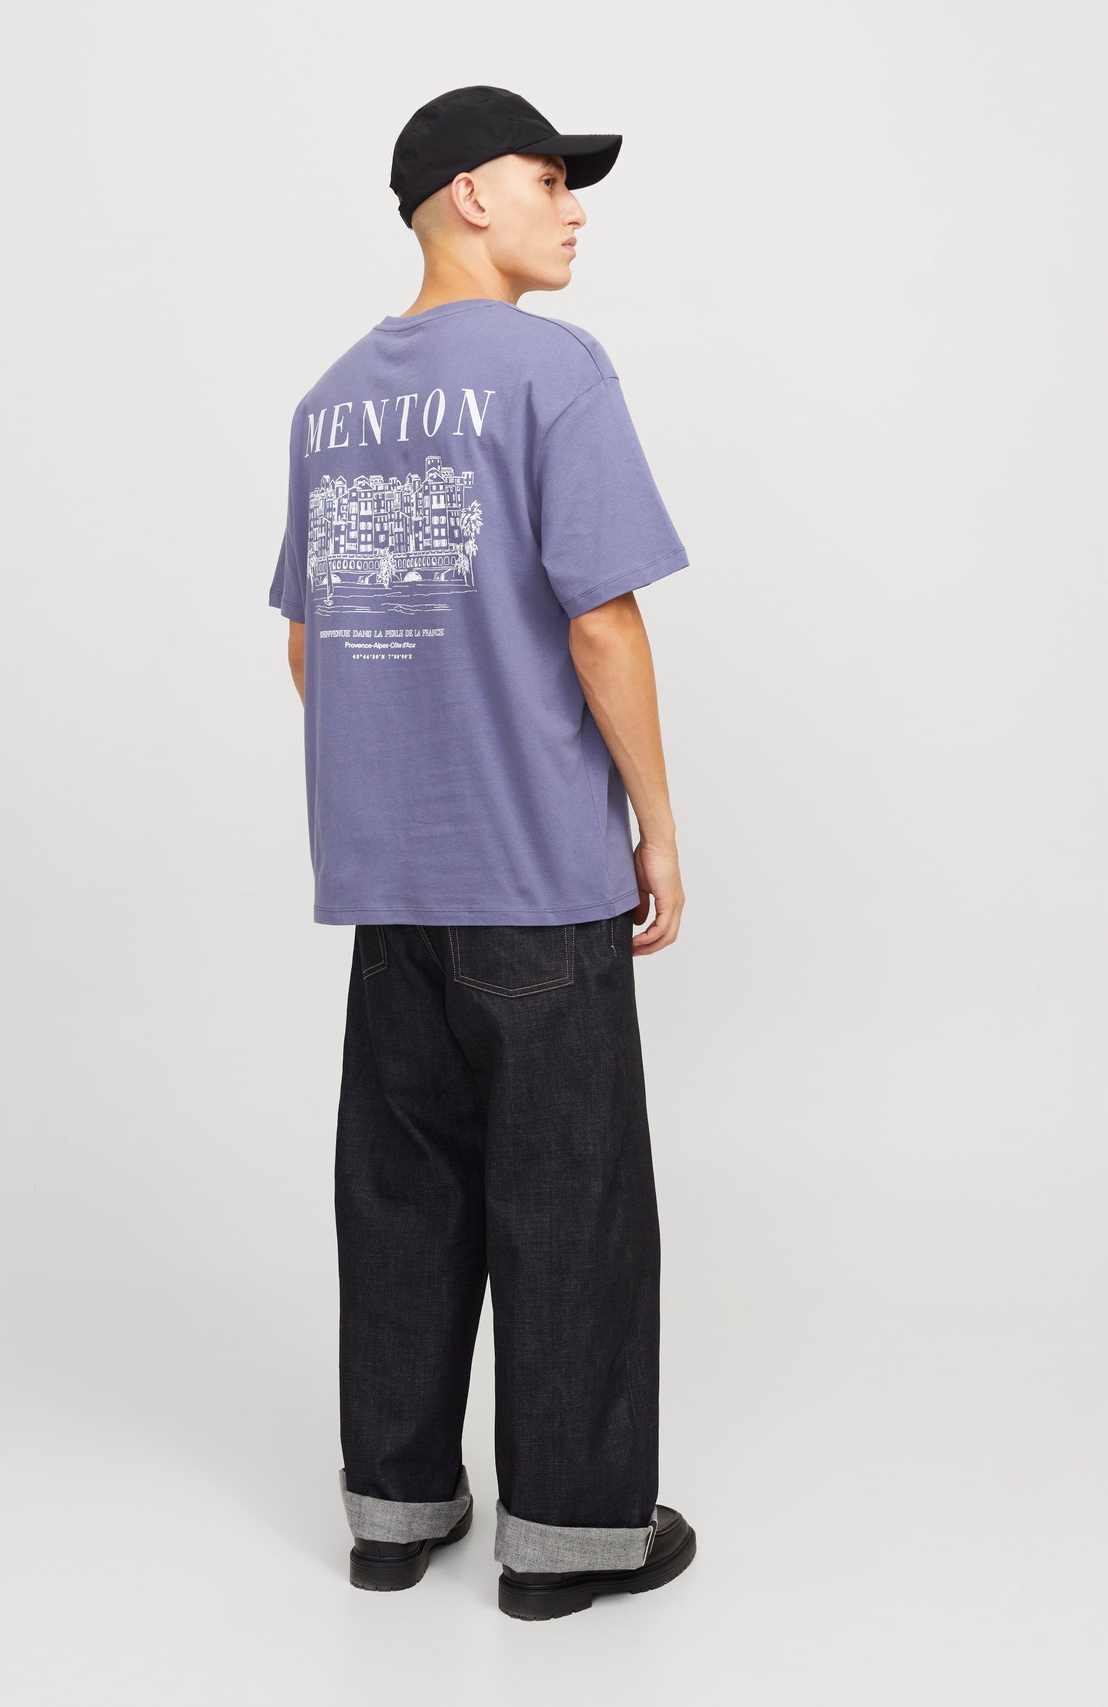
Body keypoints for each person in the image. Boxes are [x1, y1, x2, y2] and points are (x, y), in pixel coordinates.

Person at [268, 84, 697, 1621]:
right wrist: (656, 825)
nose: (573, 209)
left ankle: (394, 1514)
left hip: (393, 890)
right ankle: (570, 1541)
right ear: (468, 195)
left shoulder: (330, 404)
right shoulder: (552, 372)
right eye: (549, 179)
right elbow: (602, 621)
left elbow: (310, 644)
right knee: (570, 1204)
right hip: (534, 880)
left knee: (403, 1198)